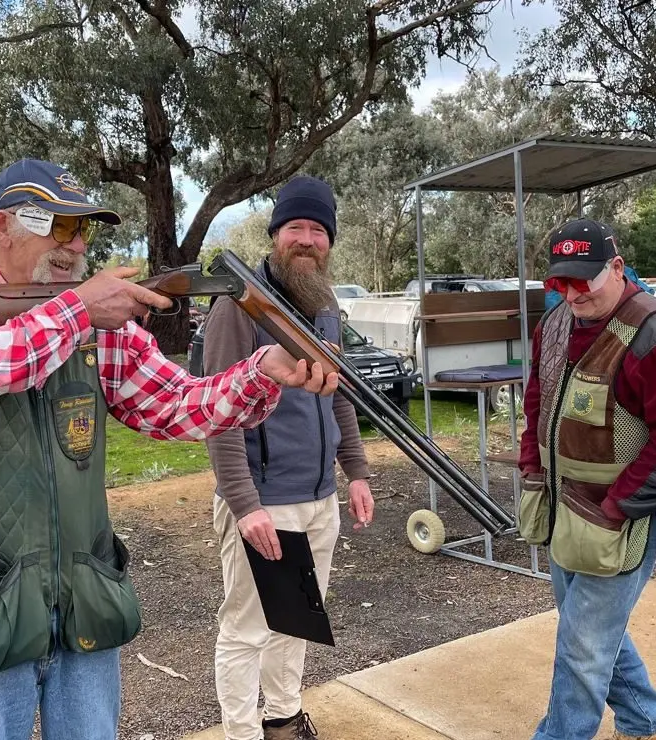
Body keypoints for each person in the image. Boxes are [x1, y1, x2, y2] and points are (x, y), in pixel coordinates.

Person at [0, 159, 339, 740]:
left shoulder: (99, 329)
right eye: (58, 226)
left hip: (86, 597)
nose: (75, 243)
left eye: (82, 229)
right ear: (2, 225)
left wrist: (262, 371)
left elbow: (181, 406)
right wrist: (81, 309)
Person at [518, 218, 656, 740]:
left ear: (617, 268)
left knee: (582, 646)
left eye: (585, 279)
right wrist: (531, 468)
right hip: (563, 512)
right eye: (561, 283)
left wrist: (618, 507)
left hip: (618, 523)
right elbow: (538, 403)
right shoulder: (553, 326)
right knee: (592, 634)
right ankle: (647, 722)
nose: (573, 293)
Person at [202, 175, 375, 740]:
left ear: (329, 240)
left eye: (318, 229)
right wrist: (244, 502)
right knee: (248, 629)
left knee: (297, 620)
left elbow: (339, 393)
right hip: (264, 501)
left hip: (318, 495)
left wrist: (356, 472)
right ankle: (243, 733)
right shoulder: (238, 302)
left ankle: (282, 719)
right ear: (276, 234)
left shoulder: (323, 302)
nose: (307, 239)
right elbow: (216, 408)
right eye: (295, 227)